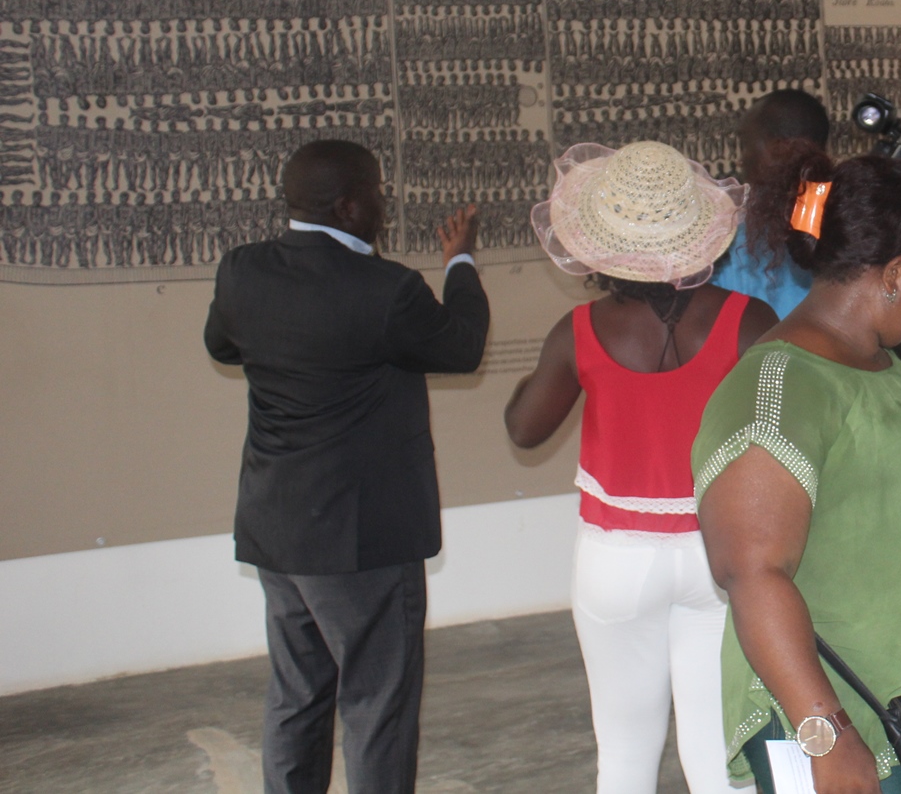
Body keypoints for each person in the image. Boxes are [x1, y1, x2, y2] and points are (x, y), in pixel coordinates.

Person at [693, 141, 901, 794]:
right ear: (894, 272)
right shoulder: (777, 386)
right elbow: (751, 571)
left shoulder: (875, 365)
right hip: (841, 725)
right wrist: (826, 734)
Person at [203, 140, 488, 794]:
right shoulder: (387, 291)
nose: (385, 205)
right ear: (350, 206)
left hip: (278, 528)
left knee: (297, 693)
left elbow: (221, 344)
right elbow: (463, 346)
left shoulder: (242, 270)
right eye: (378, 193)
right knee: (377, 706)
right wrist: (461, 259)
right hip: (362, 544)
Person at [504, 141, 776, 794]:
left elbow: (524, 429)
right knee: (717, 751)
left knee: (624, 754)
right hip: (719, 554)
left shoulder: (578, 330)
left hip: (615, 559)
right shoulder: (748, 321)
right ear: (700, 237)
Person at [710, 88, 828, 318]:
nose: (741, 159)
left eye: (746, 145)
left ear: (779, 149)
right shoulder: (856, 222)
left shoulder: (735, 241)